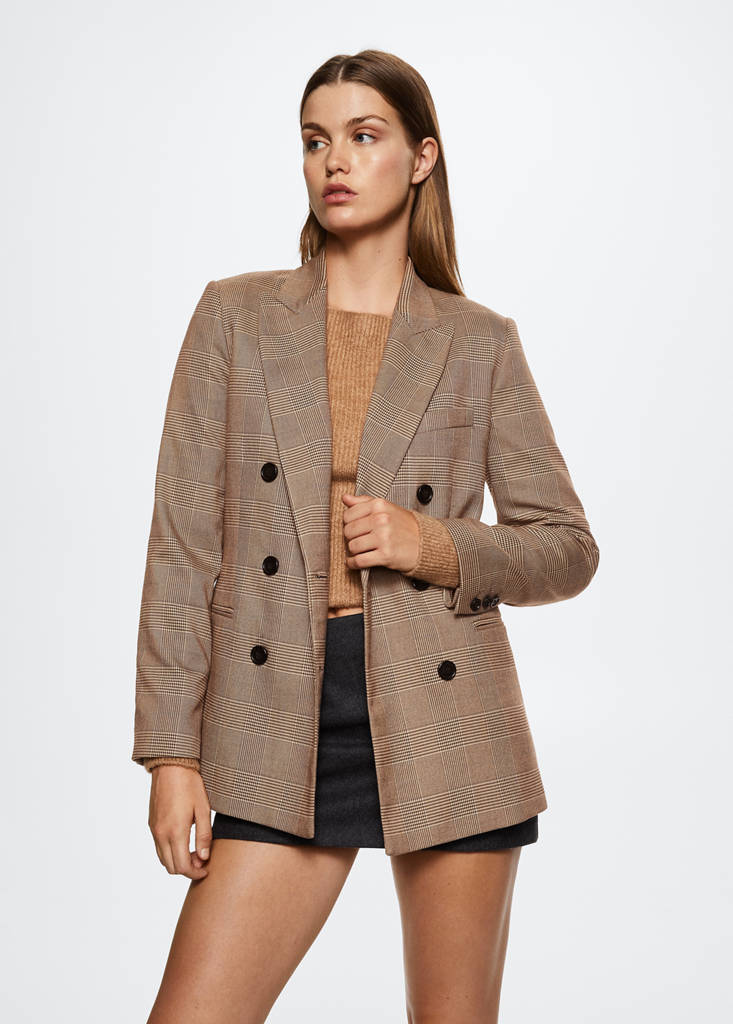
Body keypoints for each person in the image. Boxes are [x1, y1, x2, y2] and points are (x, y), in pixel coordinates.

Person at [133, 49, 599, 1024]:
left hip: (446, 717)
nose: (334, 161)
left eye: (363, 135)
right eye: (315, 141)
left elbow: (565, 546)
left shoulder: (477, 342)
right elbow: (182, 549)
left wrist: (431, 543)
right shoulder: (235, 317)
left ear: (421, 158)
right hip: (276, 714)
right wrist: (172, 755)